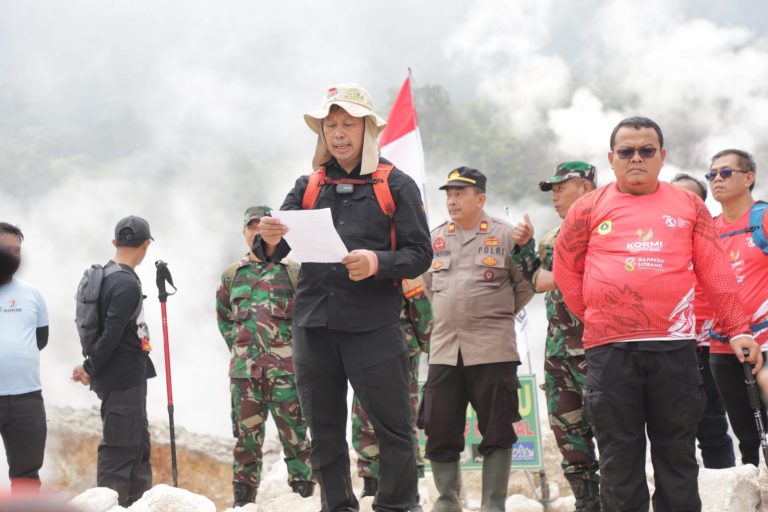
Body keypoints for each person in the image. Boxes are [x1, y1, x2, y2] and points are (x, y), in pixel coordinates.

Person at [553, 117, 761, 512]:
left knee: (677, 454)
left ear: (661, 156)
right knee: (619, 457)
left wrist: (737, 329)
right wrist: (599, 317)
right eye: (626, 151)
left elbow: (715, 272)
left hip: (674, 350)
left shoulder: (688, 206)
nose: (636, 158)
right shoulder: (587, 209)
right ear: (611, 158)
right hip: (610, 352)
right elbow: (566, 269)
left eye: (646, 151)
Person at [257, 83, 432, 512]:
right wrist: (268, 237)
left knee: (393, 428)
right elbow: (273, 251)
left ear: (368, 129)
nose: (338, 133)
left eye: (347, 124)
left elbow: (420, 253)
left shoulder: (397, 185)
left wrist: (376, 262)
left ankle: (395, 505)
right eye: (330, 125)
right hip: (314, 325)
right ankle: (337, 506)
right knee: (325, 431)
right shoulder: (308, 185)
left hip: (373, 325)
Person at [421, 166, 534, 512]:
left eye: (460, 194)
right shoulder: (435, 237)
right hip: (444, 351)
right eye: (449, 194)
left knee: (497, 431)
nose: (452, 200)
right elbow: (429, 286)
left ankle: (493, 505)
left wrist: (490, 314)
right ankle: (447, 503)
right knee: (438, 431)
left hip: (492, 350)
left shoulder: (505, 236)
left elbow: (525, 286)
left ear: (480, 198)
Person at [511, 162, 600, 511]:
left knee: (609, 430)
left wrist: (557, 276)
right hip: (559, 353)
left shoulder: (607, 230)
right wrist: (524, 247)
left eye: (562, 187)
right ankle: (586, 500)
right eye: (552, 189)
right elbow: (536, 282)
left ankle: (619, 498)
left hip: (598, 349)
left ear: (586, 186)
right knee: (568, 432)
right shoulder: (551, 239)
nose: (555, 196)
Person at [216, 205, 314, 507]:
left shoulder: (294, 273)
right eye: (251, 226)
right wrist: (246, 353)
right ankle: (243, 502)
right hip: (245, 377)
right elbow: (225, 321)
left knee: (297, 441)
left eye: (264, 225)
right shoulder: (233, 275)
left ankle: (303, 498)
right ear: (245, 232)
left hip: (286, 375)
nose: (257, 232)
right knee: (246, 444)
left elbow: (307, 319)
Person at [71, 215, 156, 507]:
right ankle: (111, 505)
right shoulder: (126, 284)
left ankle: (136, 504)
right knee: (120, 452)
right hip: (123, 381)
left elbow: (105, 335)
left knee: (136, 448)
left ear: (114, 242)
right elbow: (111, 335)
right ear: (146, 245)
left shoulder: (106, 275)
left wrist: (89, 366)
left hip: (118, 380)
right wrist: (89, 367)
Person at [706, 149, 768, 466]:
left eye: (725, 172)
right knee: (746, 436)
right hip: (722, 346)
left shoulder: (764, 218)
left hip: (765, 341)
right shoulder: (708, 229)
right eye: (712, 174)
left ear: (748, 178)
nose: (717, 178)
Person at [670, 172, 736, 468]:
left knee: (712, 425)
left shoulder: (714, 236)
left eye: (690, 196)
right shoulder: (654, 238)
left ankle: (725, 490)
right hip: (668, 346)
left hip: (709, 345)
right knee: (672, 429)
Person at [350, 276, 432, 509]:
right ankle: (371, 482)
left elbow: (427, 330)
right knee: (363, 417)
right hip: (363, 351)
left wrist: (415, 293)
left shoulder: (406, 266)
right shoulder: (356, 267)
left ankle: (410, 487)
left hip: (399, 353)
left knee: (402, 418)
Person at [0, 223, 49, 495]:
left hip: (26, 399)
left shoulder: (32, 294)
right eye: (6, 250)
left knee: (27, 476)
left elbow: (40, 339)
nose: (13, 256)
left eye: (17, 250)